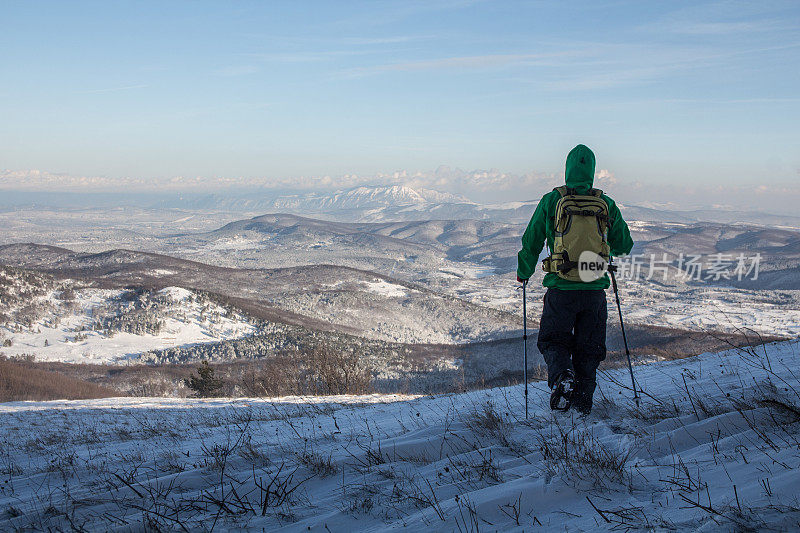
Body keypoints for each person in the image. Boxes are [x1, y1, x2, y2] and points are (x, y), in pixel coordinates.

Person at [516, 144, 633, 414]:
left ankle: (562, 378)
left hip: (561, 287)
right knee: (589, 349)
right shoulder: (605, 204)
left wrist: (524, 271)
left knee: (553, 340)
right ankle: (582, 406)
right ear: (592, 170)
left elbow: (531, 239)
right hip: (594, 290)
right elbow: (624, 244)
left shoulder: (552, 200)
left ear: (567, 168)